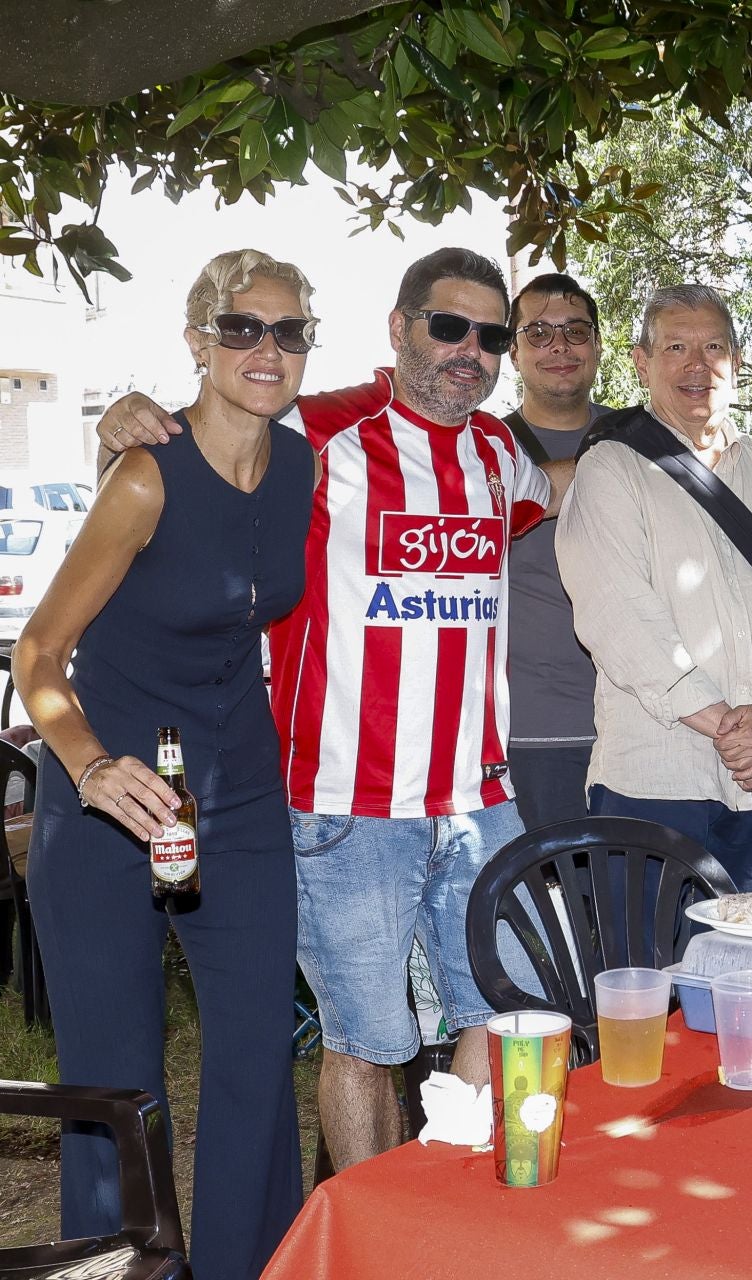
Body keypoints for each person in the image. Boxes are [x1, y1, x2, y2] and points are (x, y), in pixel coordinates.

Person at [96, 247, 571, 1171]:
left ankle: (456, 1213)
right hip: (346, 805)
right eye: (448, 327)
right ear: (399, 329)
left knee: (495, 1014)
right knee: (365, 1042)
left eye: (491, 336)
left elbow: (550, 499)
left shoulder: (501, 456)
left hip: (480, 797)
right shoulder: (316, 433)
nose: (469, 351)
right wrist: (115, 430)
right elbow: (194, 450)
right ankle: (370, 1238)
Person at [19, 250, 316, 1277]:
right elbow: (38, 651)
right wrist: (94, 766)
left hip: (236, 789)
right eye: (241, 328)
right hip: (107, 798)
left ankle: (251, 1264)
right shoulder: (145, 474)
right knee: (112, 1075)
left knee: (253, 1053)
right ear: (199, 341)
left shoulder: (305, 464)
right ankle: (118, 1264)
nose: (265, 350)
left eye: (288, 331)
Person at [556, 285, 752, 892]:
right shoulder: (611, 467)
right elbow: (619, 619)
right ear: (641, 361)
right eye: (676, 347)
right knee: (647, 978)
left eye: (713, 347)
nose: (696, 364)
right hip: (655, 780)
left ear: (736, 361)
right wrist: (737, 734)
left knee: (747, 975)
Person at [501, 273, 611, 830]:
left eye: (575, 331)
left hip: (637, 726)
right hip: (525, 730)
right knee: (535, 909)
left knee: (631, 908)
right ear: (513, 350)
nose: (559, 346)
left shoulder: (644, 439)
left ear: (598, 345)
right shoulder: (480, 448)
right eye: (538, 333)